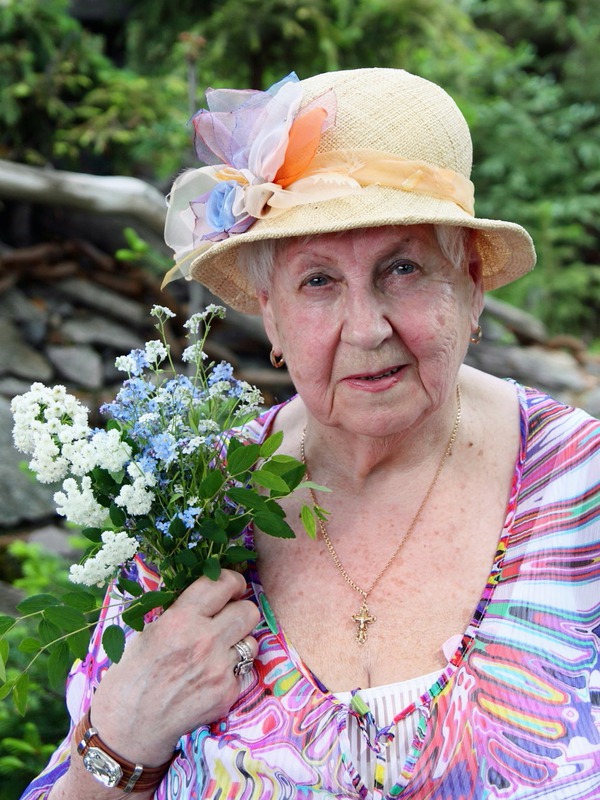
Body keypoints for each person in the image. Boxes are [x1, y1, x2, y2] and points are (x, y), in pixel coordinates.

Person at [21, 68, 600, 800]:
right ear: (269, 313)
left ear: (474, 283)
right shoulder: (203, 503)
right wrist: (124, 740)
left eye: (403, 268)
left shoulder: (581, 486)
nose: (366, 328)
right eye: (318, 281)